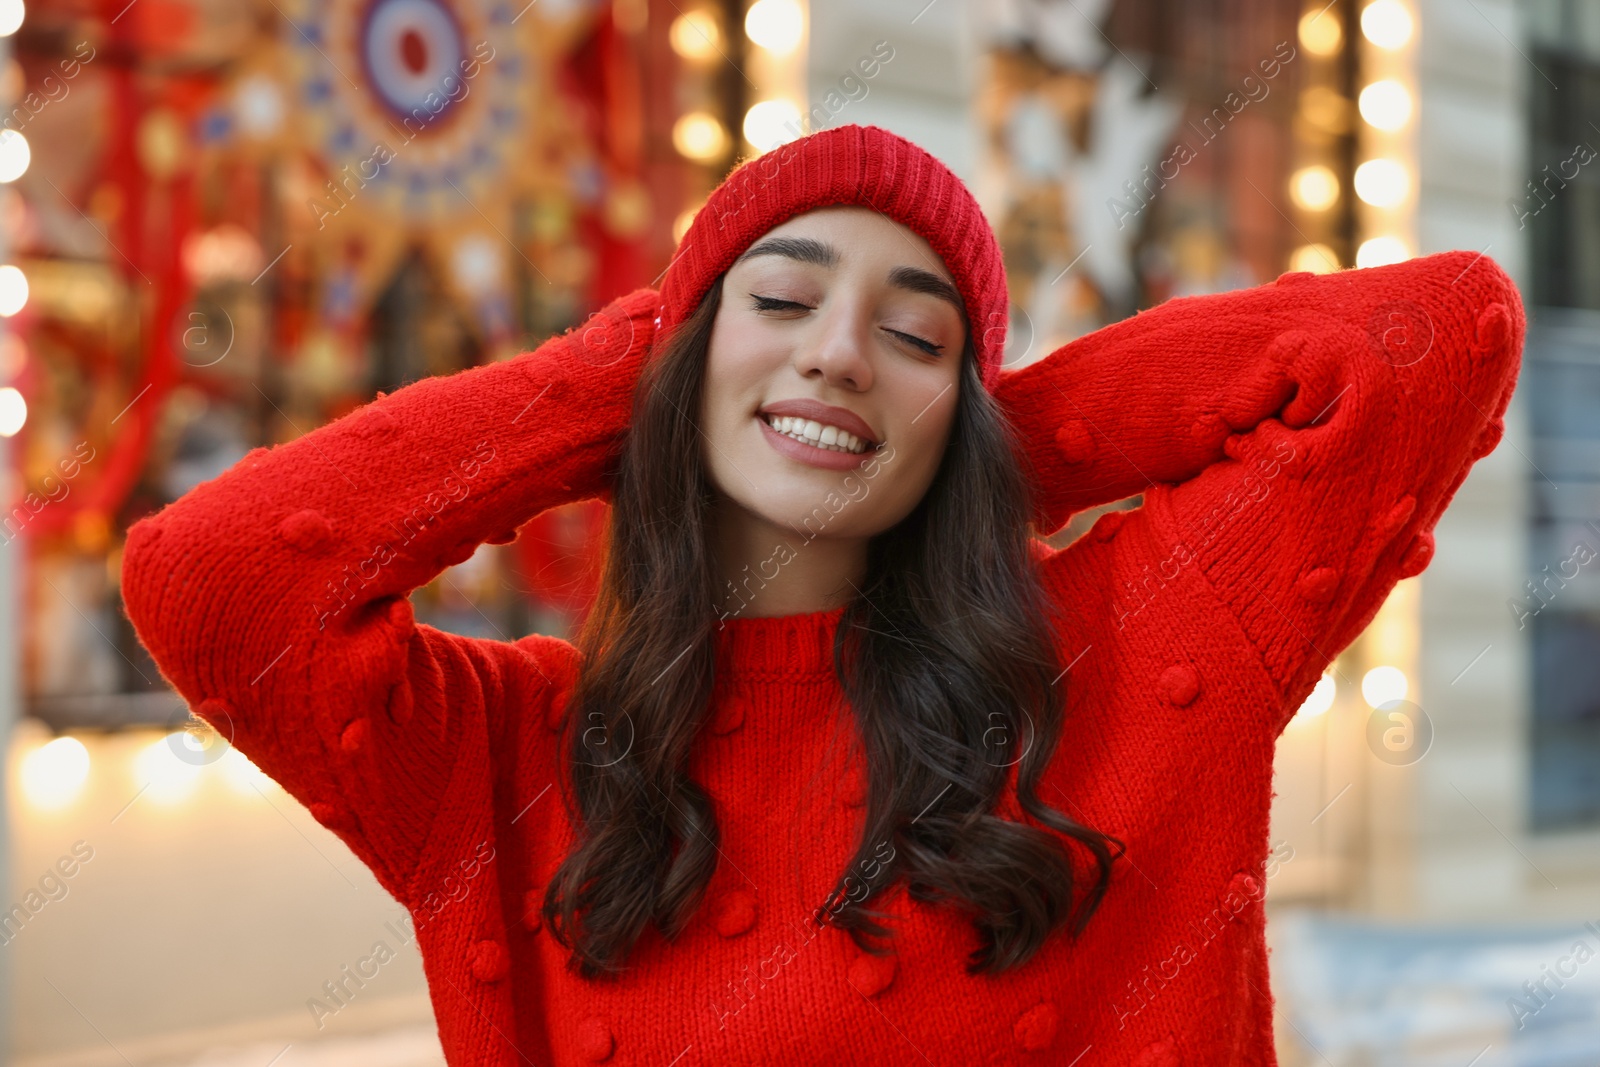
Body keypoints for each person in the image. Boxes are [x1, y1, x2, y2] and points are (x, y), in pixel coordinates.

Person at [120, 123, 1524, 1065]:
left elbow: (1437, 337)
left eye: (916, 333)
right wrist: (623, 384)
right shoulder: (521, 750)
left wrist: (976, 448)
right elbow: (212, 578)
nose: (842, 353)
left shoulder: (1127, 648)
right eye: (780, 304)